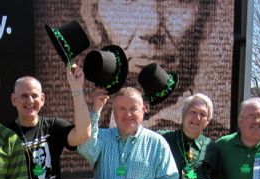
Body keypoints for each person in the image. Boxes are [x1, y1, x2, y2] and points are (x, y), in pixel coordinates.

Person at [79, 0, 228, 133]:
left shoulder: (213, 148)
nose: (151, 29)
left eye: (176, 1)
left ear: (208, 18)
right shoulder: (86, 136)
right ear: (93, 16)